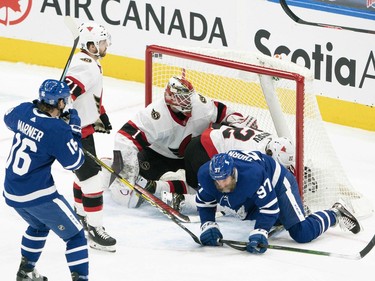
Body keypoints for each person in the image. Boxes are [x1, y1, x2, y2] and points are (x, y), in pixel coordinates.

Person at [109, 76, 257, 208]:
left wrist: (238, 121)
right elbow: (124, 138)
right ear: (171, 99)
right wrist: (126, 174)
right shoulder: (155, 115)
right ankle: (153, 185)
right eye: (183, 98)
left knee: (204, 184)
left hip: (191, 154)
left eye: (189, 97)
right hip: (157, 155)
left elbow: (223, 112)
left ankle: (179, 192)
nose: (189, 102)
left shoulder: (200, 104)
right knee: (135, 190)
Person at [3, 79, 89, 280]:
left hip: (12, 191)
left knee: (39, 226)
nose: (66, 103)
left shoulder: (24, 110)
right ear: (59, 103)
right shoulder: (57, 130)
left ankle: (25, 272)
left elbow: (8, 118)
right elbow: (75, 163)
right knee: (75, 236)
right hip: (37, 194)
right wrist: (73, 130)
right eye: (64, 101)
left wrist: (42, 121)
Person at [196, 151, 361, 253]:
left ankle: (335, 212)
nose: (221, 184)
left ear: (233, 172)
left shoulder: (252, 176)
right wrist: (208, 225)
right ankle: (292, 212)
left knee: (301, 233)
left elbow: (269, 207)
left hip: (278, 183)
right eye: (217, 181)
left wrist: (260, 231)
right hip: (258, 187)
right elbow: (204, 201)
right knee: (246, 214)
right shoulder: (206, 176)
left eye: (224, 179)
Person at [64, 21, 116, 252]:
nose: (107, 45)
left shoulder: (90, 62)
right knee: (93, 180)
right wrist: (66, 123)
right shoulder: (87, 65)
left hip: (84, 129)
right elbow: (66, 95)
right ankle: (95, 231)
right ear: (92, 46)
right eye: (103, 42)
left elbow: (87, 94)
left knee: (83, 176)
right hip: (75, 132)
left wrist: (99, 114)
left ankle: (81, 215)